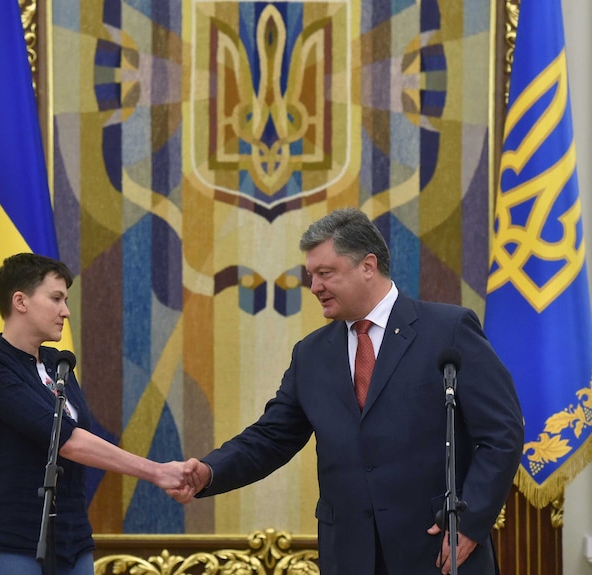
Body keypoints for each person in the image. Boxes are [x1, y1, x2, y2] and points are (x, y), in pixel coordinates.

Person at [177, 208, 524, 575]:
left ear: (368, 266)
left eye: (325, 274)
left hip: (439, 549)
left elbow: (502, 432)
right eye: (311, 276)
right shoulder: (310, 354)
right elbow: (270, 437)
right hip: (349, 555)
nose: (314, 287)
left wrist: (470, 521)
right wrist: (210, 471)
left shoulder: (448, 330)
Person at [0, 253, 190, 575]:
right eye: (56, 298)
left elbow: (80, 441)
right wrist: (157, 472)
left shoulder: (59, 365)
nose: (65, 311)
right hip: (5, 539)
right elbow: (65, 440)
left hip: (71, 540)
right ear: (20, 301)